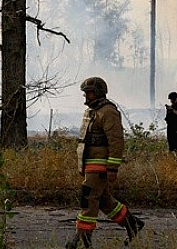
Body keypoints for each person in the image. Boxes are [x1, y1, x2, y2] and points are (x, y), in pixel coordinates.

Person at [65, 76, 144, 249]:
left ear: (99, 92)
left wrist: (112, 168)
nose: (86, 96)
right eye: (85, 93)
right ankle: (132, 224)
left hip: (100, 167)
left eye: (90, 93)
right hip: (89, 165)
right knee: (102, 200)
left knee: (88, 198)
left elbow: (116, 141)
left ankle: (82, 239)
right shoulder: (91, 112)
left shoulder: (108, 112)